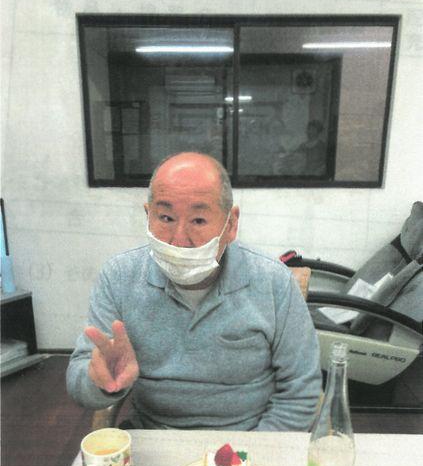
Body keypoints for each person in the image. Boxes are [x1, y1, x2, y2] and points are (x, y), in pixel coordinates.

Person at [66, 152, 322, 431]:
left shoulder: (273, 281)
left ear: (231, 224)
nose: (179, 240)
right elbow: (79, 379)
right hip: (155, 436)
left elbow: (301, 390)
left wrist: (252, 450)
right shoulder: (119, 277)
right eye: (166, 218)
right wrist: (101, 382)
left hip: (248, 438)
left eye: (198, 220)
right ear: (148, 216)